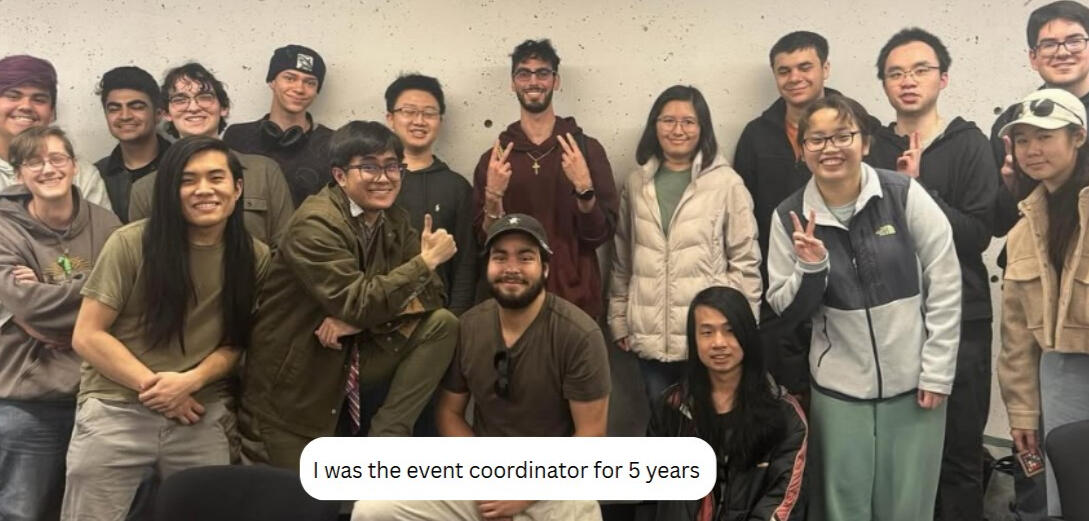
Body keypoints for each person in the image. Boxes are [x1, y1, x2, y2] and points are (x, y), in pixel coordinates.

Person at [765, 94, 961, 521]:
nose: (830, 148)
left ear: (865, 142)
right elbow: (785, 308)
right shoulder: (789, 217)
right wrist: (811, 267)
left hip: (915, 386)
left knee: (907, 506)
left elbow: (944, 282)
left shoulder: (903, 194)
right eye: (816, 139)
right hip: (839, 392)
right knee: (843, 507)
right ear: (801, 149)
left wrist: (938, 370)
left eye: (842, 135)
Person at [61, 135, 271, 520]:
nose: (203, 190)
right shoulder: (131, 242)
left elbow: (236, 343)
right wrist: (159, 388)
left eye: (215, 178)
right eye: (188, 180)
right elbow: (88, 335)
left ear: (237, 188)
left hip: (198, 409)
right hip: (115, 403)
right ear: (170, 190)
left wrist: (189, 383)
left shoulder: (253, 255)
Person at [352, 213, 608, 521]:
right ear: (488, 267)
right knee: (374, 509)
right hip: (482, 474)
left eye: (525, 258)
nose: (511, 268)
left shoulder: (578, 334)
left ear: (545, 268)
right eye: (500, 258)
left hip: (553, 485)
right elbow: (449, 412)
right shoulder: (470, 326)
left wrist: (524, 492)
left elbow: (591, 433)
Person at [239, 121, 458, 468]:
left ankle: (387, 440)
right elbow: (357, 302)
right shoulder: (315, 224)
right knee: (296, 501)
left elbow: (434, 293)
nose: (383, 178)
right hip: (294, 385)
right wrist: (427, 260)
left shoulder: (393, 219)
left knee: (442, 325)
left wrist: (358, 324)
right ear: (340, 176)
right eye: (368, 167)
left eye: (391, 166)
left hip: (349, 356)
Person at [865, 28, 997, 521]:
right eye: (896, 73)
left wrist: (917, 192)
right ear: (883, 84)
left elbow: (977, 234)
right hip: (889, 319)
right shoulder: (871, 148)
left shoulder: (969, 144)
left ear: (942, 78)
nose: (908, 81)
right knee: (895, 454)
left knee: (959, 454)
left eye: (920, 70)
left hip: (963, 319)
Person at [732, 31, 870, 396]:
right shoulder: (756, 135)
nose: (795, 78)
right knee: (788, 405)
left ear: (825, 68)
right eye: (784, 70)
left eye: (805, 67)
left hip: (846, 295)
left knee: (843, 402)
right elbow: (741, 217)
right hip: (779, 296)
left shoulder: (856, 125)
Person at [608, 85, 761, 410]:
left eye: (689, 122)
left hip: (709, 339)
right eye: (668, 120)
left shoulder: (725, 183)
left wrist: (744, 329)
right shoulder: (637, 183)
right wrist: (619, 317)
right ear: (655, 125)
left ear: (702, 128)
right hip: (649, 335)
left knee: (712, 429)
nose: (678, 130)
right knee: (664, 430)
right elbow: (623, 257)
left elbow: (746, 262)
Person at [0, 126, 120, 521]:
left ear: (73, 166)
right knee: (19, 510)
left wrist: (50, 312)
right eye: (34, 161)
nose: (47, 169)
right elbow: (27, 304)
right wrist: (93, 308)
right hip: (26, 401)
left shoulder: (107, 225)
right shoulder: (4, 226)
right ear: (19, 173)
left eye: (57, 159)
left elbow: (132, 300)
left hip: (97, 396)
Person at [472, 38, 618, 319]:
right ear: (513, 83)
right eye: (523, 73)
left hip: (577, 300)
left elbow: (599, 235)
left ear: (556, 81)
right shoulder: (495, 158)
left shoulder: (586, 150)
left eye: (542, 73)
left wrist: (584, 189)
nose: (533, 81)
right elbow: (484, 240)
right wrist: (493, 197)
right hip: (513, 299)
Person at [997, 88, 1089, 518]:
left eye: (1045, 137)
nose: (1032, 150)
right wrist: (1022, 412)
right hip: (1059, 376)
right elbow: (1017, 338)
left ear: (1078, 137)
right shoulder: (1023, 228)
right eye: (1023, 140)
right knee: (1067, 496)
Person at [649, 286, 806, 521]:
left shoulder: (786, 415)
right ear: (694, 339)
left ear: (747, 335)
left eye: (730, 331)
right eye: (707, 332)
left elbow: (782, 502)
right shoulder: (672, 407)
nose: (719, 343)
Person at [128, 62, 294, 248]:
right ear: (167, 113)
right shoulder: (145, 190)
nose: (193, 107)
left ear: (224, 108)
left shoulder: (264, 172)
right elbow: (143, 259)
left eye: (205, 97)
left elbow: (286, 249)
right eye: (180, 99)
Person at [993, 1, 1089, 248]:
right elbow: (996, 223)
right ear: (1033, 58)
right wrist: (1012, 189)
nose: (1063, 52)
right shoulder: (1011, 122)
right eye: (1048, 44)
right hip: (1031, 266)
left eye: (1075, 40)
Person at [386, 73, 476, 315]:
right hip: (376, 314)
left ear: (440, 121)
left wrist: (456, 318)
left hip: (437, 318)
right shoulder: (375, 181)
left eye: (429, 113)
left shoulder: (456, 187)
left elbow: (466, 263)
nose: (419, 121)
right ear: (390, 118)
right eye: (409, 111)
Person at [223, 44, 333, 207]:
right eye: (290, 78)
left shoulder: (333, 142)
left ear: (317, 91)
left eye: (310, 83)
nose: (299, 88)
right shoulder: (237, 136)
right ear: (272, 81)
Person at [0, 54, 110, 210]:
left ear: (52, 112)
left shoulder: (81, 175)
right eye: (13, 96)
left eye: (39, 99)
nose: (26, 106)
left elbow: (102, 231)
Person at [93, 66, 172, 222]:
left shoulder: (182, 165)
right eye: (114, 109)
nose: (125, 116)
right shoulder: (97, 175)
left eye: (136, 107)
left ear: (158, 114)